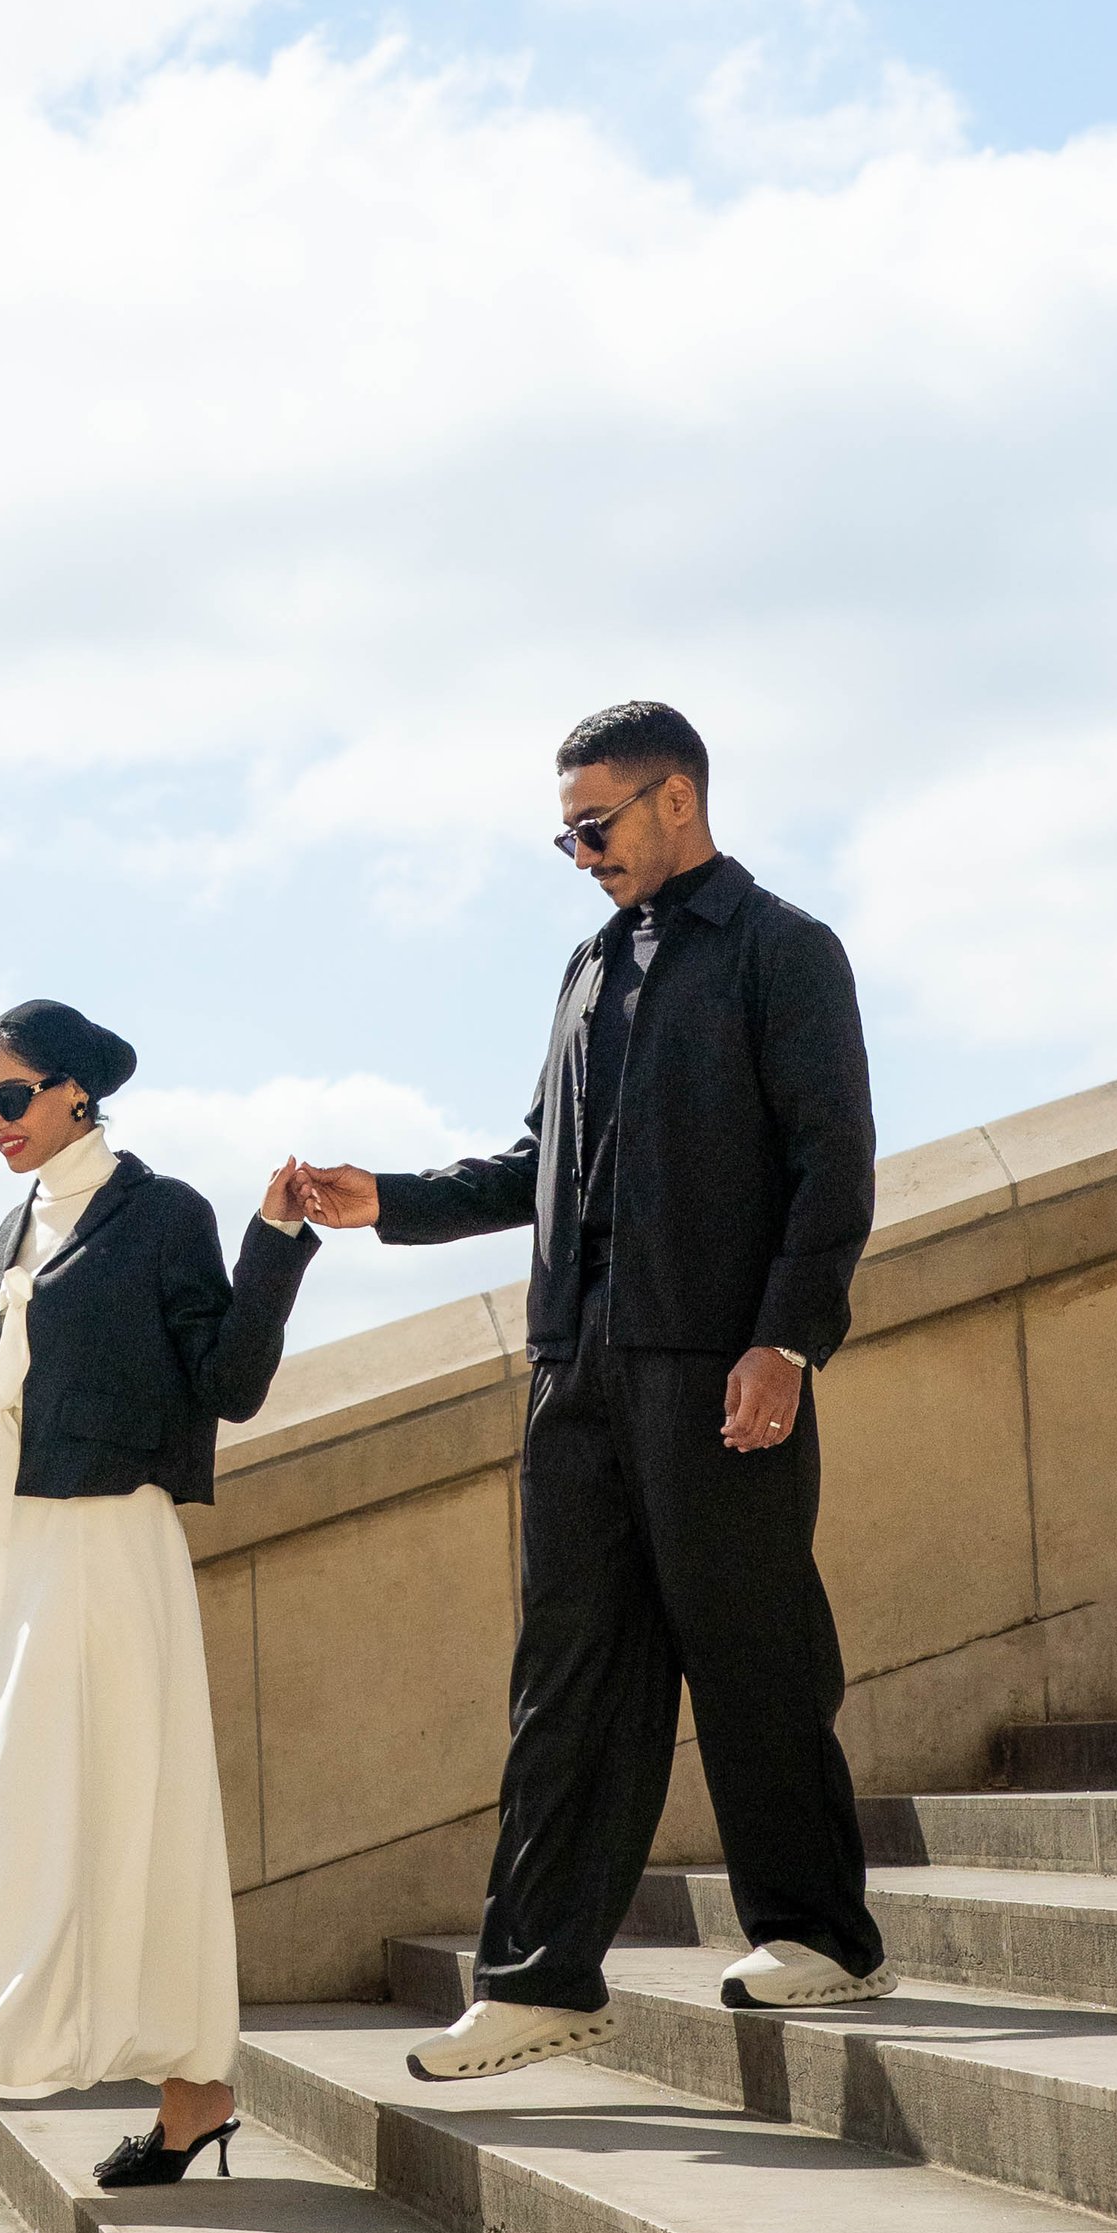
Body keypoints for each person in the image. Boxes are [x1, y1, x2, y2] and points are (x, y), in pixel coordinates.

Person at [302, 701, 888, 2083]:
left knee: (752, 1652)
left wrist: (784, 1343)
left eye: (595, 825)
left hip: (715, 1367)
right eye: (563, 832)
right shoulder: (584, 967)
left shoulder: (785, 952)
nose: (578, 852)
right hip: (574, 1371)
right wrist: (387, 1200)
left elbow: (833, 1162)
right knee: (565, 1679)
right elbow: (536, 1164)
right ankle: (539, 1977)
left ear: (675, 799)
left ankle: (822, 1932)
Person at [0, 998, 317, 2233]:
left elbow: (229, 1388)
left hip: (99, 1549)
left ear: (80, 1090)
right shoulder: (15, 1222)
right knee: (61, 1820)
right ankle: (195, 2094)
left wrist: (275, 1239)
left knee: (33, 1833)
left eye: (12, 1098)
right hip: (6, 1551)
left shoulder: (162, 1214)